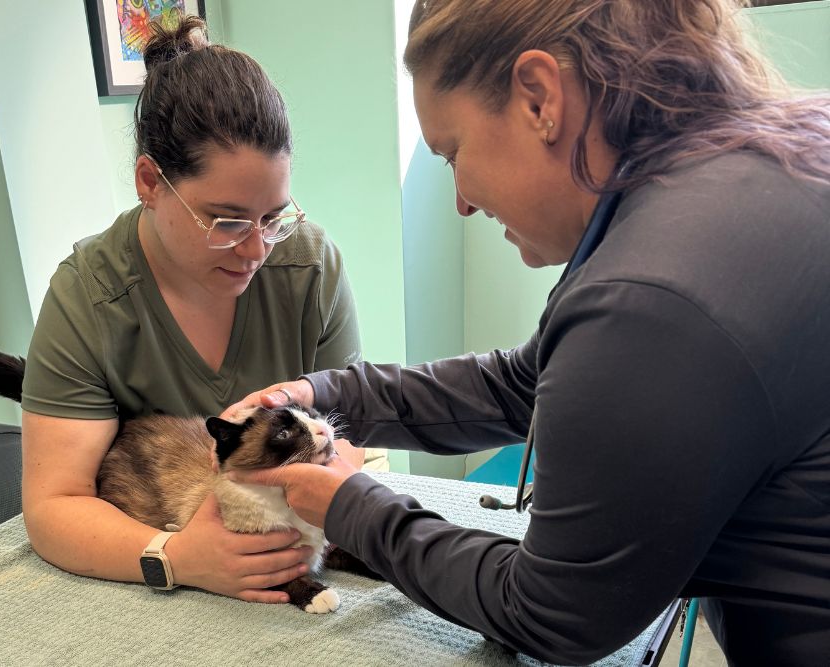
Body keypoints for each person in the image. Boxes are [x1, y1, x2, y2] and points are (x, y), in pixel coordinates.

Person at [224, 0, 830, 664]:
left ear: (539, 98)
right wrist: (329, 393)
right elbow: (528, 380)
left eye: (451, 152)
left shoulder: (651, 297)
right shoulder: (737, 171)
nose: (459, 200)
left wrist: (354, 508)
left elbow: (550, 613)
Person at [19, 15, 368, 605]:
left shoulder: (311, 269)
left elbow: (347, 442)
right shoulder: (89, 297)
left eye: (273, 217)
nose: (257, 249)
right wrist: (176, 557)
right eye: (227, 221)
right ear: (150, 182)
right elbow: (55, 507)